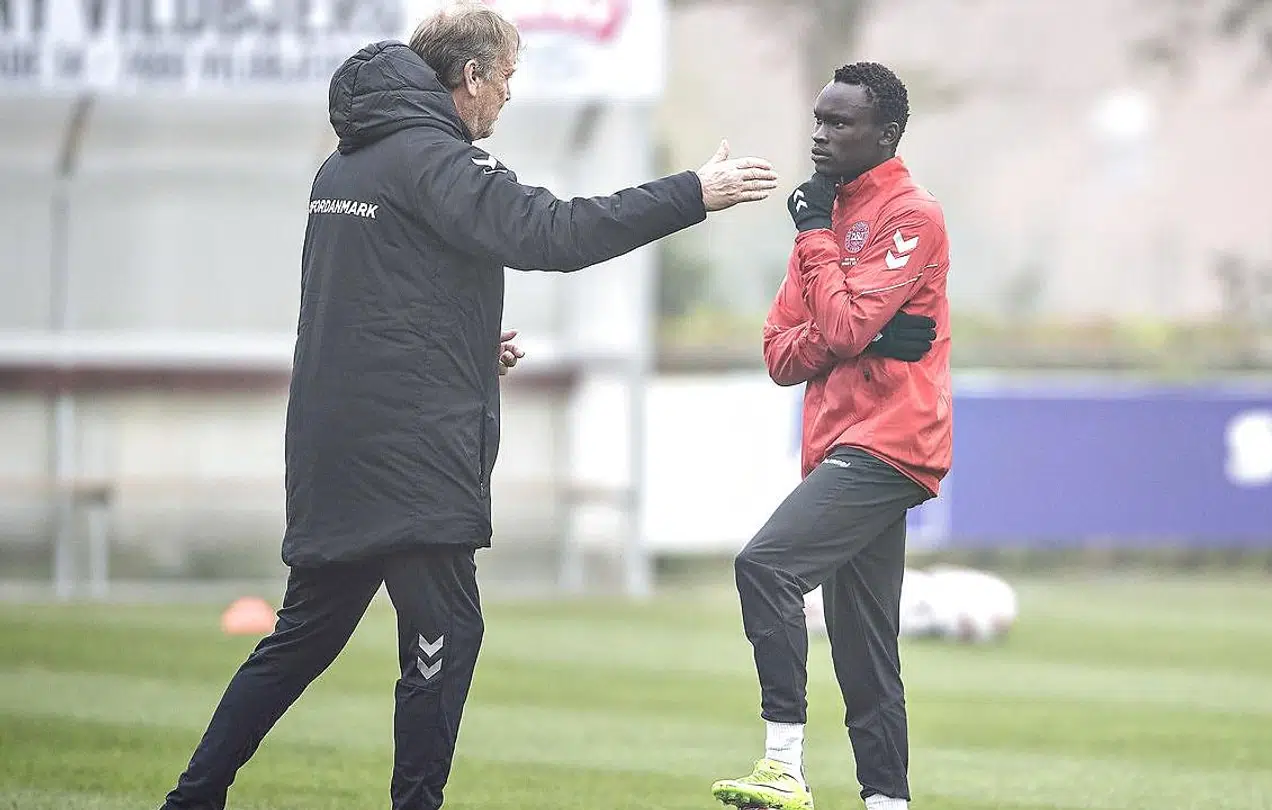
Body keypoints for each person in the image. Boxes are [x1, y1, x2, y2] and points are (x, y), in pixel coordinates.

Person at [157, 4, 778, 810]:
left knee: (300, 641)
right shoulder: (435, 160)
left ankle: (193, 797)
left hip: (337, 449)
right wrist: (693, 191)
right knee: (445, 633)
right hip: (408, 460)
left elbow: (367, 306)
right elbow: (554, 233)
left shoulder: (344, 167)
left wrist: (468, 344)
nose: (510, 98)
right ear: (472, 77)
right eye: (508, 79)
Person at [710, 62, 952, 810]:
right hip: (838, 444)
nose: (820, 134)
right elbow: (781, 353)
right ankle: (887, 802)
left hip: (892, 441)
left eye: (840, 123)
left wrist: (828, 271)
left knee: (767, 568)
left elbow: (843, 324)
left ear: (886, 134)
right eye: (819, 119)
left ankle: (782, 763)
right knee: (865, 647)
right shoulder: (825, 213)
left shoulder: (911, 215)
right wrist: (860, 334)